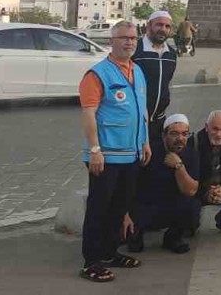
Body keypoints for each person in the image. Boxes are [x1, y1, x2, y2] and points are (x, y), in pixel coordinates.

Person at [77, 21, 152, 283]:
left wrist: (145, 142)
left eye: (133, 38)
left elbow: (141, 112)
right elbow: (88, 114)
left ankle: (110, 252)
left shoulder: (138, 72)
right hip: (105, 156)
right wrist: (95, 150)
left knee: (120, 207)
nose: (129, 42)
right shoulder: (97, 75)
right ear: (112, 41)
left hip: (130, 154)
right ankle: (91, 261)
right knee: (99, 208)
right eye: (124, 38)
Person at [129, 114, 200, 254]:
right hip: (146, 204)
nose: (180, 139)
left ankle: (172, 238)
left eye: (184, 134)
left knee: (192, 206)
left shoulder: (190, 154)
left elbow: (191, 190)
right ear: (163, 135)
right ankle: (136, 233)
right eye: (174, 134)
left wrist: (179, 166)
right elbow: (129, 184)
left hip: (171, 203)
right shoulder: (149, 153)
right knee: (134, 247)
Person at [132, 10, 179, 143]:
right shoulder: (136, 49)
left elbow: (166, 83)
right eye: (159, 25)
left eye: (167, 26)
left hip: (159, 121)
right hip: (135, 119)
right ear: (149, 26)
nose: (163, 29)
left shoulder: (171, 54)